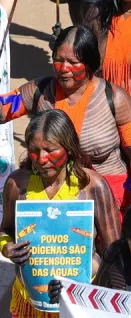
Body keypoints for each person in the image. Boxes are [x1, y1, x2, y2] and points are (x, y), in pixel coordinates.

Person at [0, 26, 131, 210]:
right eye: (58, 60)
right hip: (51, 196)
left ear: (89, 63)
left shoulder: (116, 99)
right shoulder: (39, 91)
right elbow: (4, 109)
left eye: (73, 62)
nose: (64, 69)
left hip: (108, 196)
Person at [1, 110, 121, 318]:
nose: (42, 159)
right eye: (34, 150)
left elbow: (115, 251)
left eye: (50, 150)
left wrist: (91, 277)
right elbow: (5, 230)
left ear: (69, 148)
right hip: (30, 301)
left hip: (79, 302)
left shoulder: (93, 186)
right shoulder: (16, 184)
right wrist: (6, 247)